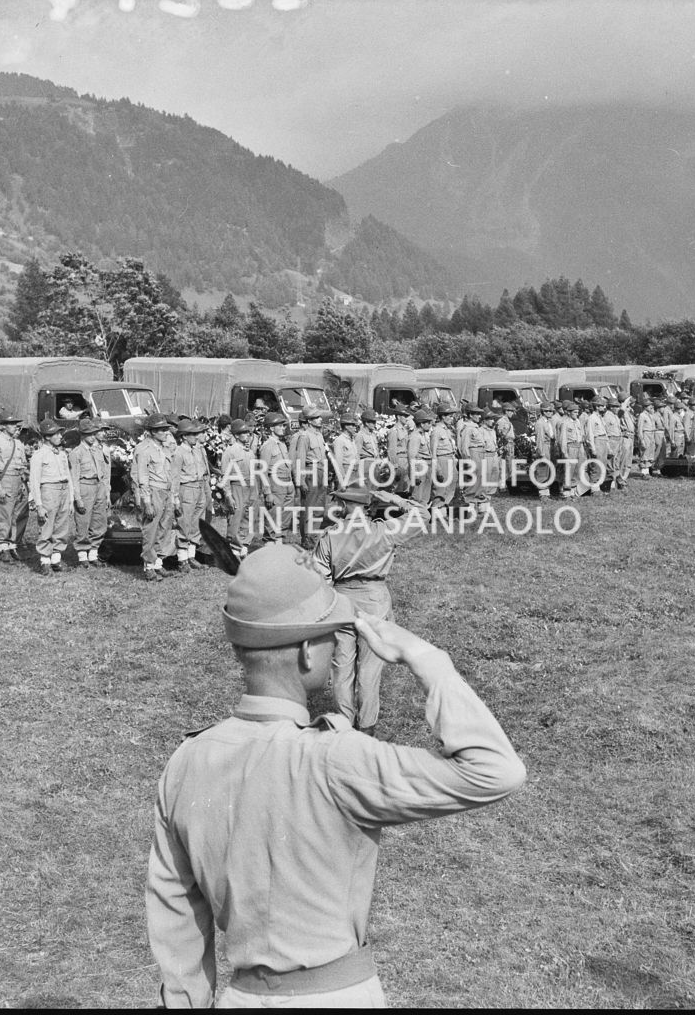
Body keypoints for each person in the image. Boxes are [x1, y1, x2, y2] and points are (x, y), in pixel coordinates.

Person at [145, 544, 526, 1009]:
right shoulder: (337, 758)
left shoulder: (187, 761)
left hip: (240, 997)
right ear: (308, 652)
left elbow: (176, 910)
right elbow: (496, 769)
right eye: (333, 635)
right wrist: (428, 659)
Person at [313, 486, 432, 733]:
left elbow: (320, 579)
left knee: (342, 667)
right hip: (374, 600)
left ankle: (344, 724)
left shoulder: (330, 536)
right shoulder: (385, 530)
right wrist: (394, 498)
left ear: (344, 506)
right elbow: (423, 515)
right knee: (370, 669)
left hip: (341, 601)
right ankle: (367, 725)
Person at [132, 414, 176, 582]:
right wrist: (147, 501)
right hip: (153, 492)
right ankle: (149, 566)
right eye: (161, 430)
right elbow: (142, 477)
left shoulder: (164, 448)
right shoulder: (144, 449)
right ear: (152, 432)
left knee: (164, 528)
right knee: (150, 530)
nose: (166, 433)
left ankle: (158, 562)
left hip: (166, 491)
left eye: (166, 429)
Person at [29, 418, 76, 575]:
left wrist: (71, 499)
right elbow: (34, 481)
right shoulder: (39, 455)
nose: (60, 436)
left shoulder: (62, 454)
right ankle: (45, 561)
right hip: (48, 490)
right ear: (47, 437)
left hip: (63, 490)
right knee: (47, 526)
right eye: (56, 434)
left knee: (62, 526)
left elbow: (68, 476)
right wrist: (39, 505)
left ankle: (56, 559)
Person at [0, 411, 29, 563]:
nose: (15, 426)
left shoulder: (18, 443)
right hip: (5, 480)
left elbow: (23, 464)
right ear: (3, 426)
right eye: (11, 424)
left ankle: (13, 544)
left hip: (19, 480)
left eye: (16, 423)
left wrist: (24, 482)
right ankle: (3, 546)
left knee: (20, 514)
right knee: (5, 514)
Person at [69, 417, 111, 569]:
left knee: (99, 520)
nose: (93, 436)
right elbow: (74, 477)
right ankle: (82, 555)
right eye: (89, 434)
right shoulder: (76, 453)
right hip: (85, 486)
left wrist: (106, 492)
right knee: (83, 521)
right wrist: (77, 498)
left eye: (94, 433)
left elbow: (104, 473)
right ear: (82, 435)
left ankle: (93, 554)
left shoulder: (98, 451)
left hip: (99, 486)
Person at [170, 418, 211, 573]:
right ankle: (182, 559)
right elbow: (175, 476)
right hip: (186, 488)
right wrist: (175, 497)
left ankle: (191, 555)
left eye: (196, 434)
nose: (195, 436)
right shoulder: (179, 453)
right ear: (184, 437)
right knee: (184, 522)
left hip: (199, 487)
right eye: (192, 434)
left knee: (197, 522)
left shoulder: (197, 450)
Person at [292, 405, 331, 550]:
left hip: (321, 472)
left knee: (319, 508)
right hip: (310, 471)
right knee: (309, 507)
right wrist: (301, 480)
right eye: (316, 417)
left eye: (319, 417)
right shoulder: (304, 436)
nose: (320, 419)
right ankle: (307, 539)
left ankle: (314, 537)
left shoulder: (319, 435)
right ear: (309, 420)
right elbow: (300, 459)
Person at [220, 418, 259, 560]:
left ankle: (244, 546)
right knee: (236, 516)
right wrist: (228, 495)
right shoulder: (230, 452)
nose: (247, 435)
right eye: (244, 433)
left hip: (251, 486)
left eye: (248, 433)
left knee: (250, 516)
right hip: (237, 485)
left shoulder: (250, 451)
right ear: (236, 435)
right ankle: (234, 548)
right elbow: (225, 475)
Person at [259, 412, 297, 544]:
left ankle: (280, 542)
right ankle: (270, 544)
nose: (283, 428)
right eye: (279, 426)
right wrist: (267, 492)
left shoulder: (282, 444)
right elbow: (262, 471)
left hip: (287, 483)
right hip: (275, 484)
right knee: (273, 516)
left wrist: (291, 483)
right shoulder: (267, 446)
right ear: (271, 428)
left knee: (285, 516)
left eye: (283, 425)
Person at [456, 403, 486, 510]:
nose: (479, 416)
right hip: (473, 454)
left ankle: (475, 503)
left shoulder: (474, 427)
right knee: (472, 481)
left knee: (479, 480)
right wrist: (467, 461)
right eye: (476, 414)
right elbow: (464, 447)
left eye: (479, 414)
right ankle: (468, 505)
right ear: (470, 415)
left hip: (480, 453)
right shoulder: (467, 428)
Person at [429, 403, 459, 508]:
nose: (452, 418)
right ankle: (437, 509)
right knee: (441, 488)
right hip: (442, 460)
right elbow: (433, 452)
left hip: (450, 459)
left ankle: (444, 508)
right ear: (443, 416)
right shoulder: (437, 431)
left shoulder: (446, 430)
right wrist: (437, 468)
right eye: (450, 416)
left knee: (452, 484)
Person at [407, 409, 434, 504]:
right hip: (420, 467)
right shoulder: (415, 436)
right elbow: (412, 457)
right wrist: (414, 475)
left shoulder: (424, 435)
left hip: (427, 465)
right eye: (428, 423)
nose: (430, 425)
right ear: (422, 424)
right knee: (417, 496)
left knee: (425, 497)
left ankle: (422, 512)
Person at [385, 405, 411, 495]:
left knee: (405, 488)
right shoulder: (393, 431)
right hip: (398, 461)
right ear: (398, 417)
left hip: (405, 460)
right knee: (397, 488)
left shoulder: (405, 430)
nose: (406, 418)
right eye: (404, 416)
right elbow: (391, 450)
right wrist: (395, 466)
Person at [533, 401, 556, 498]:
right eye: (547, 411)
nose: (550, 413)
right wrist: (541, 453)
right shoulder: (540, 423)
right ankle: (543, 493)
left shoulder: (548, 422)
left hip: (550, 446)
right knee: (543, 469)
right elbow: (539, 439)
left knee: (549, 469)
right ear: (543, 412)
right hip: (544, 446)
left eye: (551, 411)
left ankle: (547, 492)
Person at [332, 414, 361, 488]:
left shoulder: (352, 439)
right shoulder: (340, 441)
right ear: (346, 426)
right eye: (353, 425)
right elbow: (338, 463)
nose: (355, 427)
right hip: (346, 472)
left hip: (355, 472)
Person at [355, 410, 381, 487]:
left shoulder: (373, 435)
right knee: (367, 488)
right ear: (366, 423)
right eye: (373, 422)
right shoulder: (360, 435)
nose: (375, 424)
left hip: (375, 463)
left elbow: (376, 450)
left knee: (375, 488)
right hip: (366, 464)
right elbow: (356, 453)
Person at [495, 402, 516, 489]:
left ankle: (505, 483)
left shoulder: (507, 421)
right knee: (503, 465)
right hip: (505, 444)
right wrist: (502, 447)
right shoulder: (501, 421)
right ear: (506, 411)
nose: (512, 413)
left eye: (512, 411)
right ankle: (501, 485)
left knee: (509, 464)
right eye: (510, 411)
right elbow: (500, 435)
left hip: (510, 444)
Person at [636, 396, 657, 477]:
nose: (650, 407)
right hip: (645, 434)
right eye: (648, 405)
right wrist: (641, 440)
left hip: (651, 434)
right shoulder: (642, 415)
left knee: (650, 453)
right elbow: (639, 429)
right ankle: (643, 472)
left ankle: (647, 471)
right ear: (645, 407)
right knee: (644, 453)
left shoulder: (650, 415)